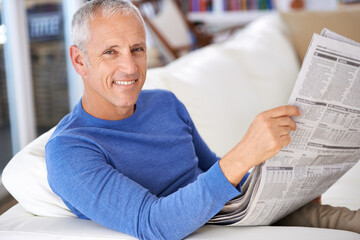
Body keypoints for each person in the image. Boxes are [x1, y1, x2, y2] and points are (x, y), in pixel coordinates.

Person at [45, 0, 360, 239]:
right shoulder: (69, 151)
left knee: (344, 219)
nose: (130, 67)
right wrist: (245, 152)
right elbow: (153, 223)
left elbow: (212, 168)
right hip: (194, 226)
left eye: (137, 49)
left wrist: (290, 186)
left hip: (231, 213)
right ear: (79, 60)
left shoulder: (164, 103)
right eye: (111, 52)